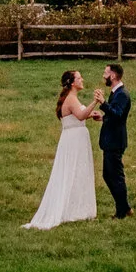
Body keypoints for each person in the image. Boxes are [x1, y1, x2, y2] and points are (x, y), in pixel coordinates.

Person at [23, 68, 98, 229]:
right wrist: (96, 101)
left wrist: (93, 114)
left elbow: (79, 115)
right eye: (79, 78)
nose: (82, 80)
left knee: (78, 171)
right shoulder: (71, 99)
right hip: (74, 140)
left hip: (74, 138)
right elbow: (80, 115)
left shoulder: (72, 98)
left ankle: (77, 208)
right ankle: (73, 210)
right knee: (74, 170)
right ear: (72, 83)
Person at [94, 62, 131, 218]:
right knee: (109, 175)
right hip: (111, 140)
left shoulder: (122, 94)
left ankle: (122, 211)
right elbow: (115, 116)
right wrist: (103, 118)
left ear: (113, 75)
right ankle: (125, 207)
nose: (104, 75)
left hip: (115, 141)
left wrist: (103, 103)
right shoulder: (115, 92)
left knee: (115, 176)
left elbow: (117, 114)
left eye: (106, 73)